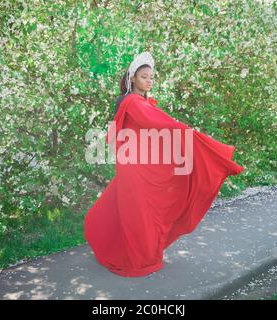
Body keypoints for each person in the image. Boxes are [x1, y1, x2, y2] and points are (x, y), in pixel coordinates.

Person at [84, 51, 244, 277]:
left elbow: (152, 131)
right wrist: (189, 134)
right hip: (136, 168)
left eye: (151, 77)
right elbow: (160, 124)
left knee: (131, 209)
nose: (149, 81)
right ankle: (139, 260)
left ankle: (132, 252)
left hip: (138, 164)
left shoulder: (139, 101)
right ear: (132, 79)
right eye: (144, 77)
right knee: (140, 212)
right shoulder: (133, 102)